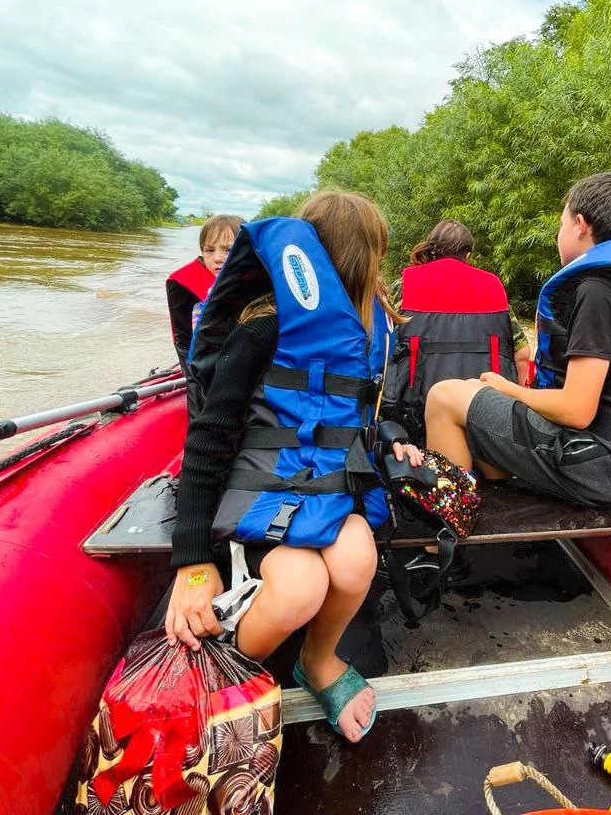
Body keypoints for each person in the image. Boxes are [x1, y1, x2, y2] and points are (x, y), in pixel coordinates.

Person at [164, 191, 421, 745]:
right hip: (256, 499)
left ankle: (317, 659)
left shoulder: (373, 337)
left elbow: (373, 413)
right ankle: (229, 675)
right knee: (301, 584)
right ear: (364, 259)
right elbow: (207, 439)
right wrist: (192, 564)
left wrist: (395, 437)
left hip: (326, 493)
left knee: (356, 559)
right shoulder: (260, 331)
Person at [423, 172, 611, 507]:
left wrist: (507, 388)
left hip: (596, 463)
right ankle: (498, 503)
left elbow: (577, 410)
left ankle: (437, 547)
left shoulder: (596, 290)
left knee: (443, 396)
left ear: (580, 225)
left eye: (562, 223)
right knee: (472, 392)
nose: (559, 234)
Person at [381, 220, 529, 443]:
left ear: (430, 250)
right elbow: (523, 355)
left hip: (415, 417)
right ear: (468, 255)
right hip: (485, 414)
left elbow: (381, 347)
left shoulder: (404, 286)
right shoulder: (493, 287)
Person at [165, 213, 243, 371]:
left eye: (228, 250)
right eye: (209, 250)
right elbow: (184, 343)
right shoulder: (185, 288)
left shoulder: (262, 282)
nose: (217, 258)